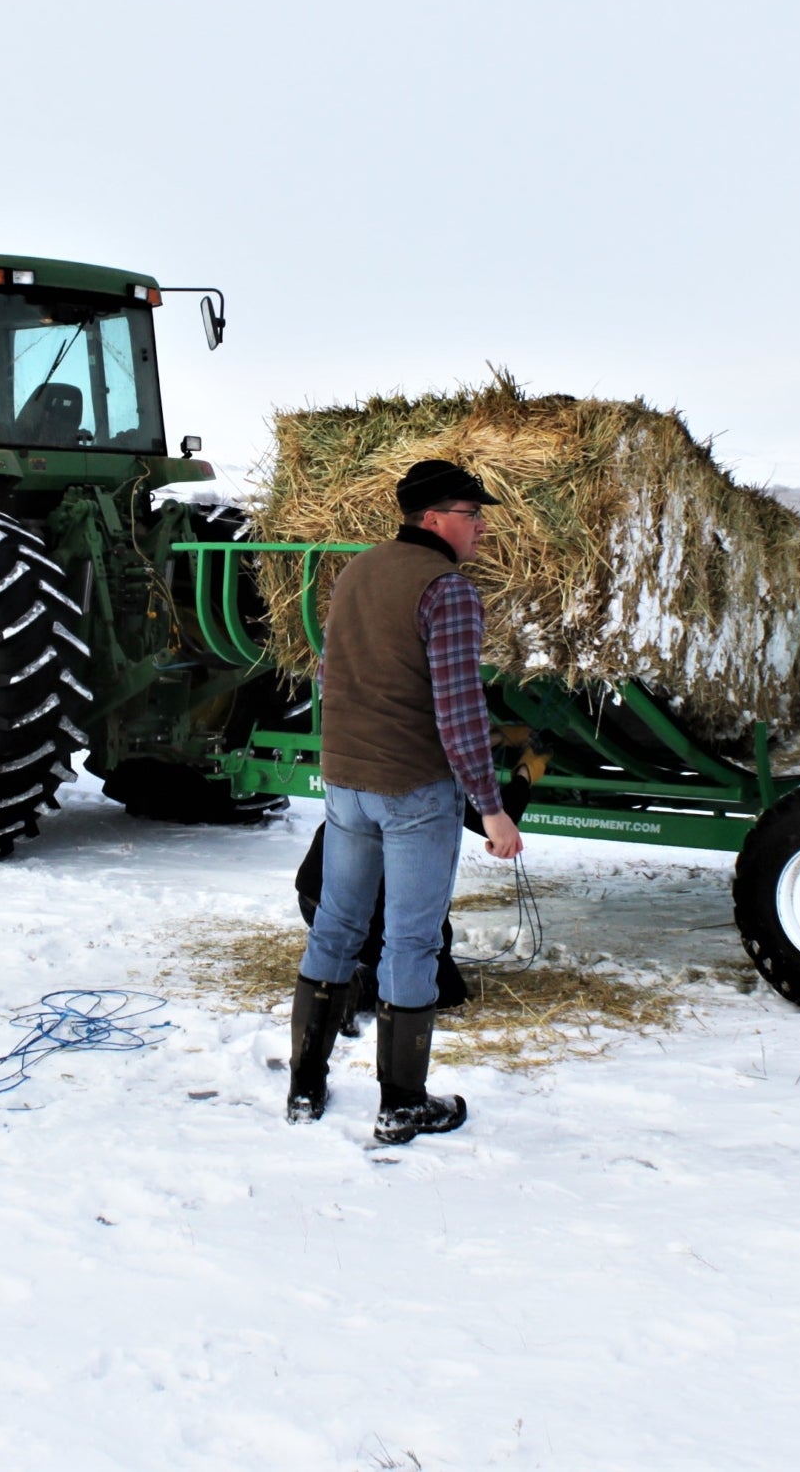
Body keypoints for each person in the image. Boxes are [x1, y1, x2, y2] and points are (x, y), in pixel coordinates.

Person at [287, 458, 523, 1143]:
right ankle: (401, 1101)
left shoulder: (357, 571)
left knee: (336, 926)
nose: (479, 527)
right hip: (415, 790)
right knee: (411, 941)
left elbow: (331, 675)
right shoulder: (447, 590)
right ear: (433, 519)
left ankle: (305, 1085)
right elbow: (459, 712)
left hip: (348, 784)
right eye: (470, 514)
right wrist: (492, 806)